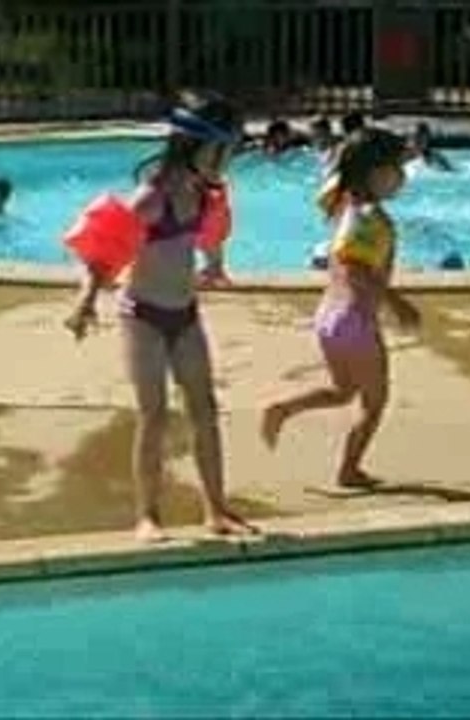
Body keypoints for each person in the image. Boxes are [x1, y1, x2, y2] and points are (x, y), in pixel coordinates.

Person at [64, 91, 256, 542]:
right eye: (223, 151)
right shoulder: (151, 199)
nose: (227, 161)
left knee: (204, 410)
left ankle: (217, 509)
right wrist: (86, 300)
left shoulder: (203, 195)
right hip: (143, 317)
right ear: (195, 147)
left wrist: (214, 265)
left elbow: (209, 237)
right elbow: (103, 251)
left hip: (185, 315)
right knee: (154, 415)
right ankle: (147, 515)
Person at [261, 128, 422, 489]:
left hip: (330, 319)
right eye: (396, 168)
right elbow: (354, 267)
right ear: (375, 173)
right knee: (374, 402)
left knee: (343, 392)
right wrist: (397, 303)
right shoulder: (366, 216)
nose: (403, 176)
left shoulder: (343, 202)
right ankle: (349, 471)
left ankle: (283, 409)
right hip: (355, 322)